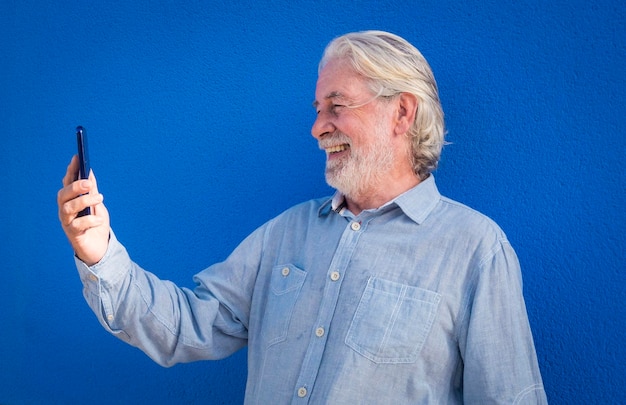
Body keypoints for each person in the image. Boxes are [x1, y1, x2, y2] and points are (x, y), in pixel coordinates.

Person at [58, 30, 547, 404]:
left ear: (402, 113)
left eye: (337, 106)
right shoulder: (285, 234)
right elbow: (188, 325)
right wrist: (99, 253)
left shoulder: (476, 248)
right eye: (317, 109)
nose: (317, 128)